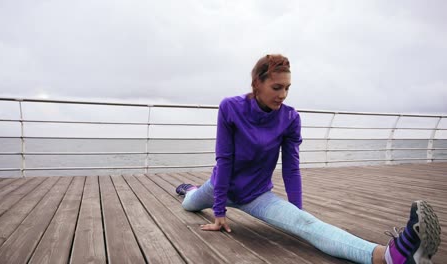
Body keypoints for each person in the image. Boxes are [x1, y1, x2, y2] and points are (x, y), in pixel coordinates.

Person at [175, 54, 441, 264]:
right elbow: (225, 159)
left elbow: (291, 169)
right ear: (256, 83)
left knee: (308, 224)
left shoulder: (290, 118)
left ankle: (391, 256)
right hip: (219, 185)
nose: (283, 95)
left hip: (256, 195)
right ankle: (189, 188)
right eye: (276, 87)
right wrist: (219, 211)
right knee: (189, 204)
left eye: (288, 88)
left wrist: (296, 214)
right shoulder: (230, 107)